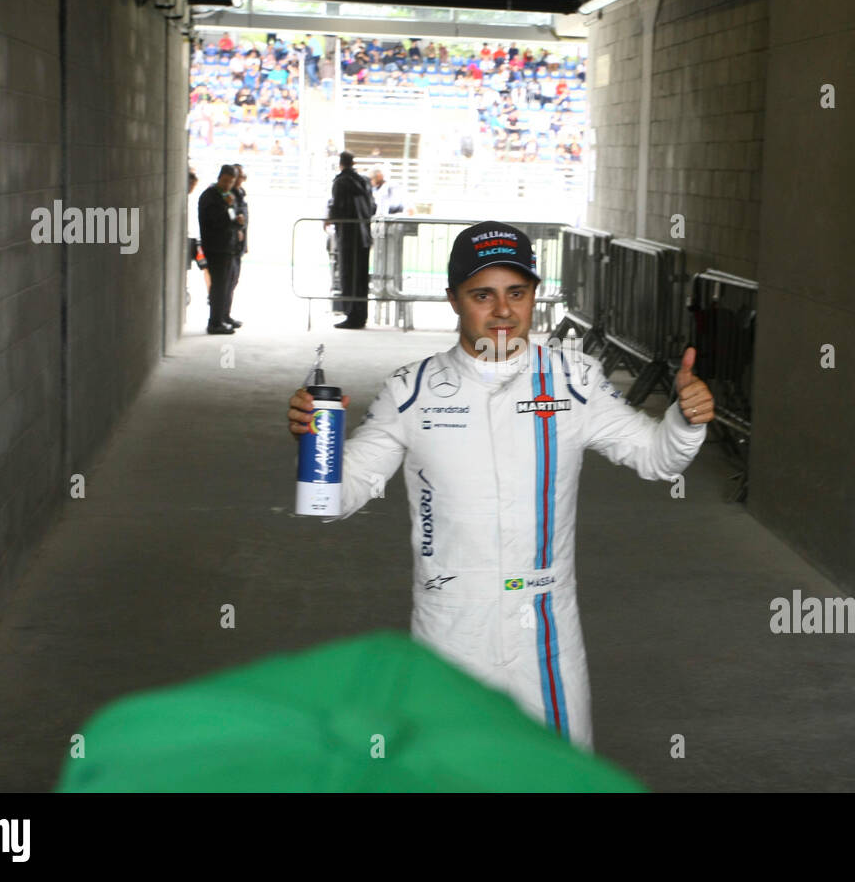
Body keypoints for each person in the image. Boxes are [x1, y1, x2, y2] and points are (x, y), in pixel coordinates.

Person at [286, 221, 716, 749]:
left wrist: (686, 419)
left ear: (535, 295)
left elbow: (656, 458)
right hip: (451, 631)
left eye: (517, 292)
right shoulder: (411, 390)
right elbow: (333, 500)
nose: (503, 311)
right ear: (454, 300)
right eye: (482, 295)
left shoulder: (574, 381)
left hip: (544, 630)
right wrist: (314, 442)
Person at [325, 151, 376, 329]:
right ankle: (361, 315)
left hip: (348, 236)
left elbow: (337, 208)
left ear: (340, 163)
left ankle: (351, 315)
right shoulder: (365, 181)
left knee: (349, 276)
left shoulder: (340, 182)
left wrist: (329, 218)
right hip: (364, 236)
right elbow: (373, 207)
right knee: (361, 278)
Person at [197, 165, 244, 335]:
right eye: (225, 181)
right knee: (218, 286)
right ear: (219, 178)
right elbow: (216, 221)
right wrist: (227, 207)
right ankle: (215, 322)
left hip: (228, 247)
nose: (227, 185)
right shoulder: (210, 197)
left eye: (231, 182)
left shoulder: (227, 196)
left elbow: (230, 219)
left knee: (227, 285)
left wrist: (238, 221)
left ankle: (224, 317)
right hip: (216, 248)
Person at [226, 164, 248, 327]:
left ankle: (226, 315)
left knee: (233, 281)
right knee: (227, 282)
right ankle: (221, 316)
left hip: (238, 244)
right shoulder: (230, 196)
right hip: (230, 244)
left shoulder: (240, 195)